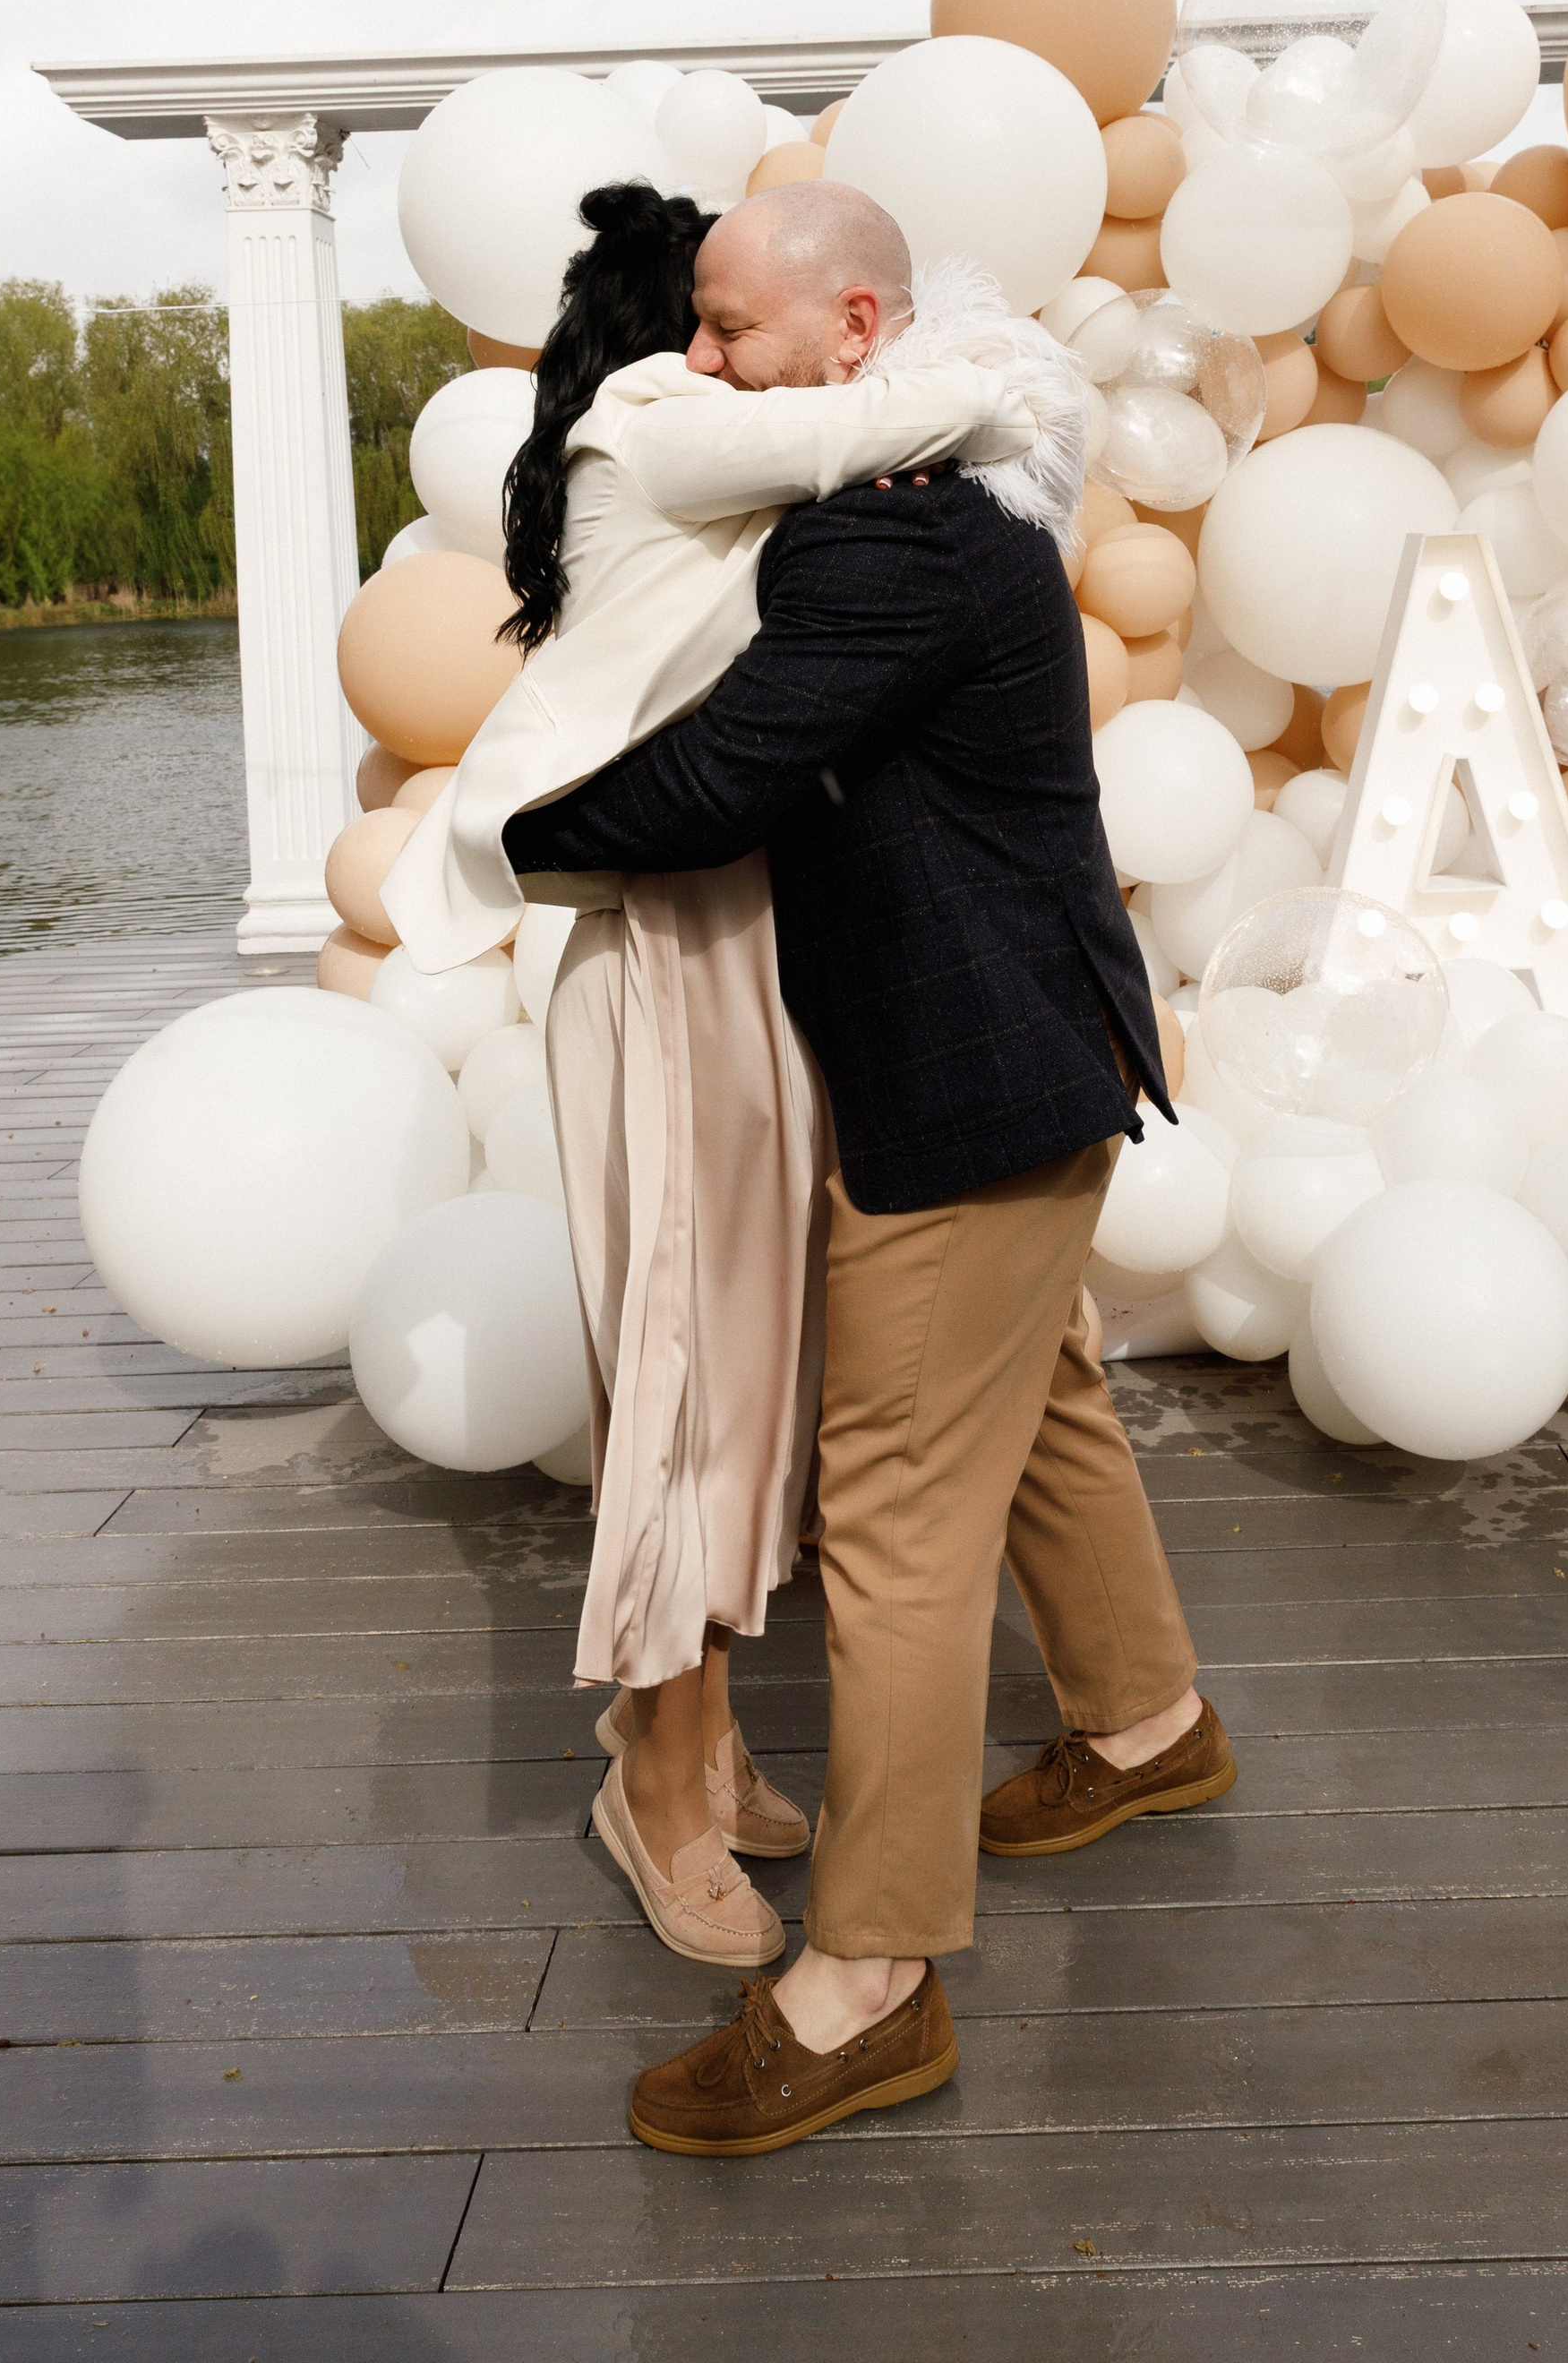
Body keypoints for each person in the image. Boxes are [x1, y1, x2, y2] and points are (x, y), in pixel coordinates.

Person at [507, 174, 1234, 2161]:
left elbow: (726, 776)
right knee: (1050, 1395)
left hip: (966, 1083)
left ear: (854, 334)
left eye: (732, 328)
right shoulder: (931, 502)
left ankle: (868, 1983)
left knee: (896, 1518)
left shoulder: (882, 545)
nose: (698, 359)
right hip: (1042, 1055)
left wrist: (508, 838)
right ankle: (1147, 1721)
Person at [385, 176, 1067, 1971]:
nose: (704, 349)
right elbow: (900, 407)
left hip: (744, 946)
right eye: (688, 316)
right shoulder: (660, 419)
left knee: (748, 1383)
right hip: (667, 952)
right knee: (687, 1382)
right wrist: (977, 370)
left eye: (729, 318)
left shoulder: (752, 464)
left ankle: (694, 1736)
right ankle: (659, 1793)